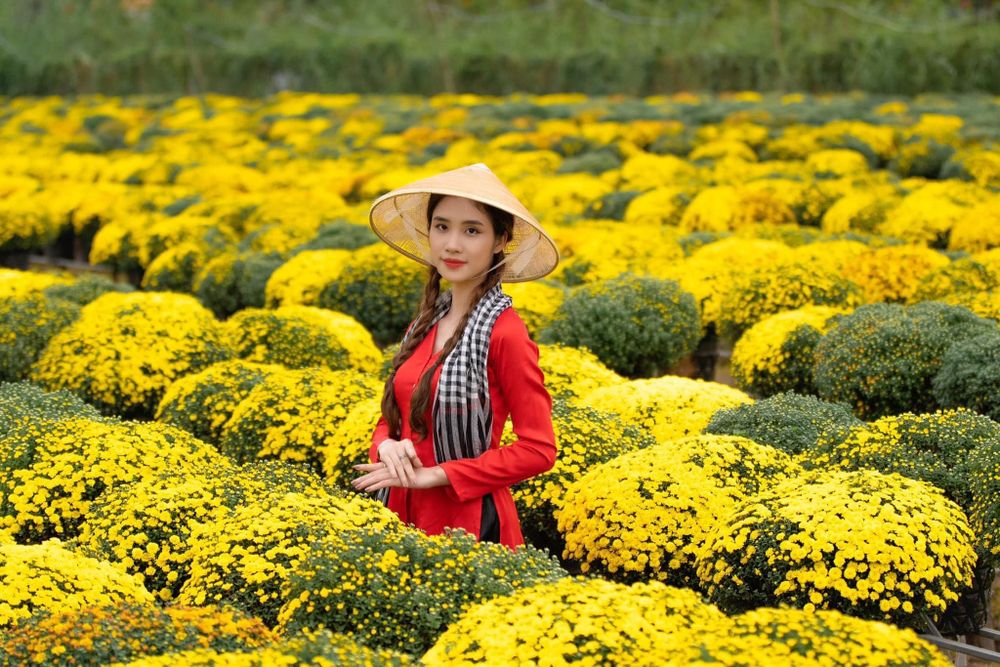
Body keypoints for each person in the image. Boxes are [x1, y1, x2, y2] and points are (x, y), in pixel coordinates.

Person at [351, 162, 560, 550]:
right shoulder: (428, 319)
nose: (451, 244)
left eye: (472, 230)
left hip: (467, 523)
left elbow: (538, 449)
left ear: (501, 240)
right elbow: (394, 417)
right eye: (442, 226)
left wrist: (438, 475)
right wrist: (386, 445)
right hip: (397, 507)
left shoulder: (505, 332)